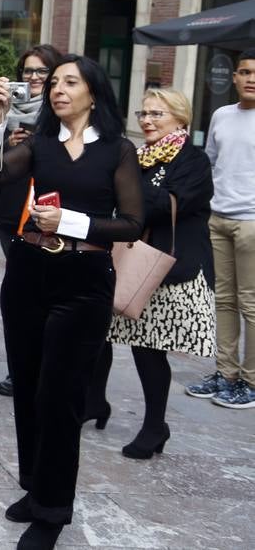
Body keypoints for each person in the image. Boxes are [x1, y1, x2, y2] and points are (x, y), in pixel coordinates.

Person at [0, 55, 143, 549]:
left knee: (60, 396)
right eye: (53, 83)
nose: (57, 90)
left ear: (95, 92)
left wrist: (71, 222)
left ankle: (52, 512)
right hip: (28, 273)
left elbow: (132, 224)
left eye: (70, 82)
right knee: (28, 386)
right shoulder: (41, 146)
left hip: (85, 279)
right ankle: (36, 486)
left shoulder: (117, 150)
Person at [88, 88, 214, 457]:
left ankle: (155, 425)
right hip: (125, 259)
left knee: (149, 349)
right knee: (100, 333)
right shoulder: (136, 156)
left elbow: (164, 205)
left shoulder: (194, 160)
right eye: (143, 113)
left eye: (157, 114)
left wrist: (124, 182)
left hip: (166, 268)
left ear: (180, 118)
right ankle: (95, 401)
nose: (146, 121)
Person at [0, 44, 63, 397]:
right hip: (11, 205)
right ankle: (19, 367)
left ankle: (44, 368)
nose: (33, 79)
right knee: (17, 289)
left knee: (42, 292)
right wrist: (6, 136)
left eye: (41, 72)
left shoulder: (60, 110)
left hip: (43, 209)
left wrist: (38, 142)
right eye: (28, 71)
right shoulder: (9, 110)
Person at [186, 47, 255, 409]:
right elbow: (210, 162)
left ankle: (251, 381)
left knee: (251, 304)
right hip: (219, 218)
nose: (251, 79)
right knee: (224, 301)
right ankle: (226, 373)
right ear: (234, 78)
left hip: (252, 223)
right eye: (245, 72)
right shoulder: (222, 115)